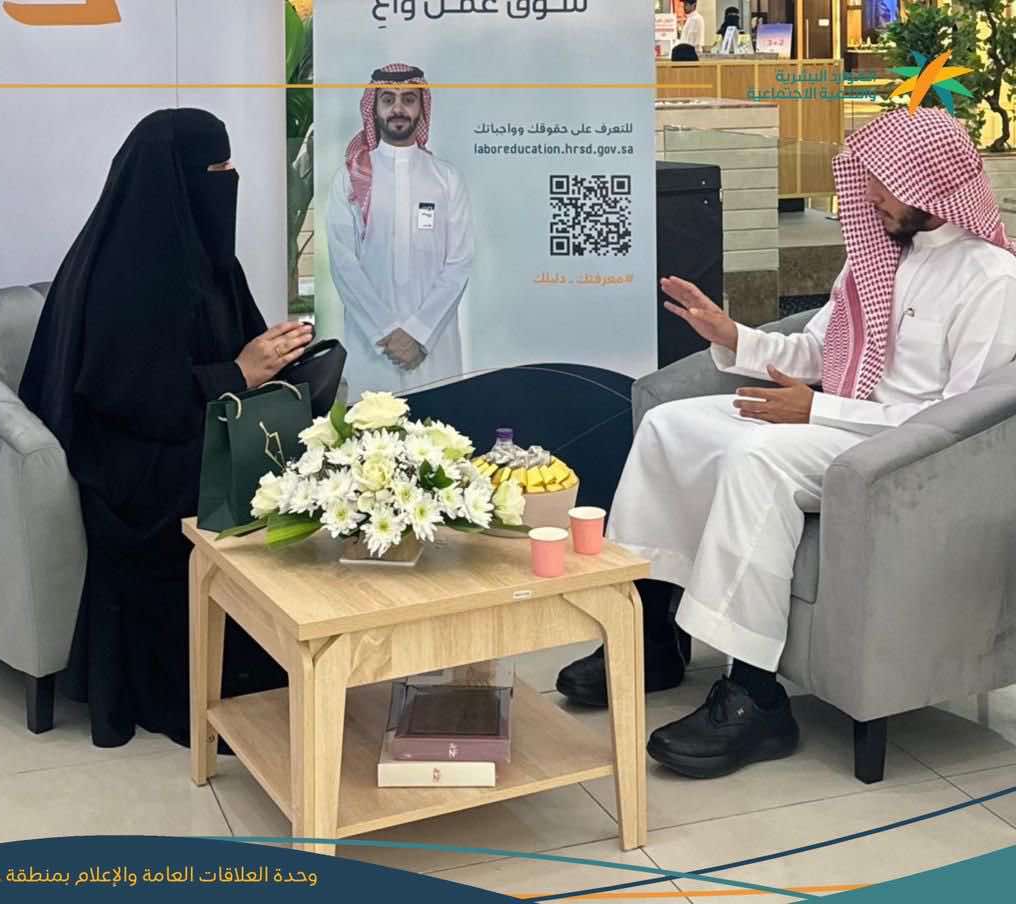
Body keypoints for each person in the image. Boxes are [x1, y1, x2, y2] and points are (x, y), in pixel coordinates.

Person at [557, 107, 1016, 777]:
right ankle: (652, 638)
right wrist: (732, 336)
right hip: (835, 421)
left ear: (930, 183)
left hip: (898, 456)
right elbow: (817, 350)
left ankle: (756, 698)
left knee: (756, 459)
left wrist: (818, 410)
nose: (870, 194)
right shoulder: (878, 255)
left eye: (883, 180)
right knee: (670, 426)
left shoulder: (992, 280)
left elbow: (955, 421)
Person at [18, 109, 314, 748]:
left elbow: (236, 352)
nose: (229, 180)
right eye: (217, 169)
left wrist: (278, 355)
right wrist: (237, 372)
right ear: (177, 180)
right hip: (130, 464)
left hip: (189, 427)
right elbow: (130, 398)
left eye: (231, 166)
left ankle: (310, 645)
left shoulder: (209, 259)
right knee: (249, 484)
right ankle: (228, 672)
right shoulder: (126, 272)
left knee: (305, 459)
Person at [326, 63, 475, 395]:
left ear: (421, 108)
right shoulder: (351, 179)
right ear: (374, 108)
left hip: (434, 348)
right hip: (374, 349)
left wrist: (419, 333)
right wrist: (386, 332)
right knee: (372, 426)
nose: (398, 108)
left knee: (441, 425)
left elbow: (459, 263)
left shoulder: (446, 179)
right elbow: (343, 263)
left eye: (408, 99)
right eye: (388, 99)